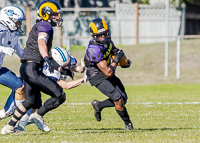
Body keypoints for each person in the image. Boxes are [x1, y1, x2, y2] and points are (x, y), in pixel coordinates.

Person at [1, 0, 67, 134]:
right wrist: (3, 49)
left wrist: (56, 66)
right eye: (54, 14)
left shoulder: (14, 33)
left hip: (26, 67)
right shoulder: (44, 25)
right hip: (31, 68)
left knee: (27, 96)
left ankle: (10, 126)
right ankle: (34, 116)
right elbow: (41, 43)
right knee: (59, 95)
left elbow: (22, 51)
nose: (57, 17)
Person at [0, 46, 85, 132]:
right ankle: (12, 126)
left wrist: (84, 66)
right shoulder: (51, 72)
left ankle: (15, 126)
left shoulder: (62, 60)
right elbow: (66, 85)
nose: (66, 67)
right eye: (62, 65)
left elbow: (76, 68)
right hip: (23, 89)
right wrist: (84, 79)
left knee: (33, 110)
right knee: (5, 113)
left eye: (67, 64)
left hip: (35, 87)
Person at [84, 18, 133, 130]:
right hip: (97, 75)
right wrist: (116, 60)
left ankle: (99, 105)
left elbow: (116, 52)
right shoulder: (94, 49)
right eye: (100, 35)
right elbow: (108, 72)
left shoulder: (109, 42)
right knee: (118, 99)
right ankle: (128, 124)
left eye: (105, 34)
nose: (103, 37)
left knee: (123, 98)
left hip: (106, 71)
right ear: (94, 36)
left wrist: (124, 62)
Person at [0, 5, 25, 120]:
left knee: (19, 86)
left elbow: (19, 50)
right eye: (17, 22)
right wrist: (3, 49)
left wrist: (31, 59)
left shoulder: (12, 33)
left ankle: (5, 115)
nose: (19, 25)